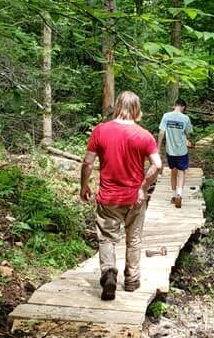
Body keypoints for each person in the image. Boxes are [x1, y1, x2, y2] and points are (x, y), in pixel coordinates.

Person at [80, 91, 162, 301]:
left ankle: (109, 272)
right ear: (136, 109)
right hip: (134, 198)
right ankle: (132, 280)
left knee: (107, 239)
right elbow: (157, 165)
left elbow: (88, 162)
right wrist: (143, 188)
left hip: (108, 198)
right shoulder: (144, 135)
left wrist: (84, 186)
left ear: (117, 106)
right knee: (133, 240)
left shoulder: (100, 130)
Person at [157, 98, 193, 208]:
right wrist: (188, 140)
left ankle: (173, 196)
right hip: (182, 150)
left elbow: (161, 132)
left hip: (170, 150)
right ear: (183, 107)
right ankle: (179, 194)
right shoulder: (185, 118)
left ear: (175, 105)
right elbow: (188, 133)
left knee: (173, 171)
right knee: (182, 172)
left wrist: (158, 148)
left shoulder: (166, 116)